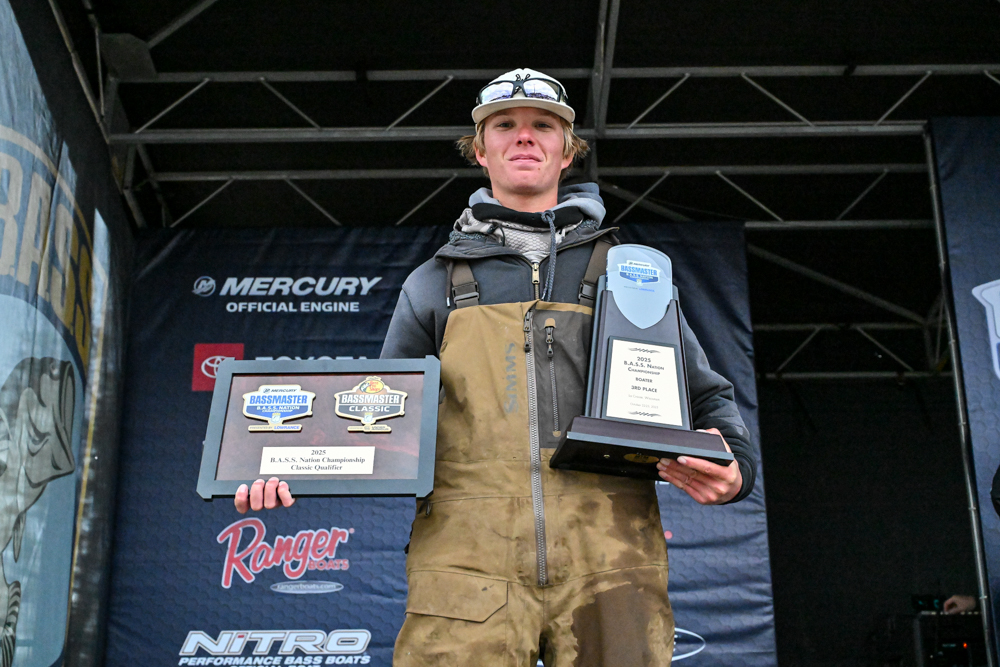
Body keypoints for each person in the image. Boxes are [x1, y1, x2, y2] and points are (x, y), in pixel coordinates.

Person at [236, 68, 757, 666]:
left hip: (612, 566)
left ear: (568, 151)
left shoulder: (632, 273)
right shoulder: (433, 283)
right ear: (481, 151)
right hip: (465, 567)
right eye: (505, 125)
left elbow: (708, 396)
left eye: (543, 125)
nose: (524, 136)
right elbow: (379, 421)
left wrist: (735, 468)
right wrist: (280, 464)